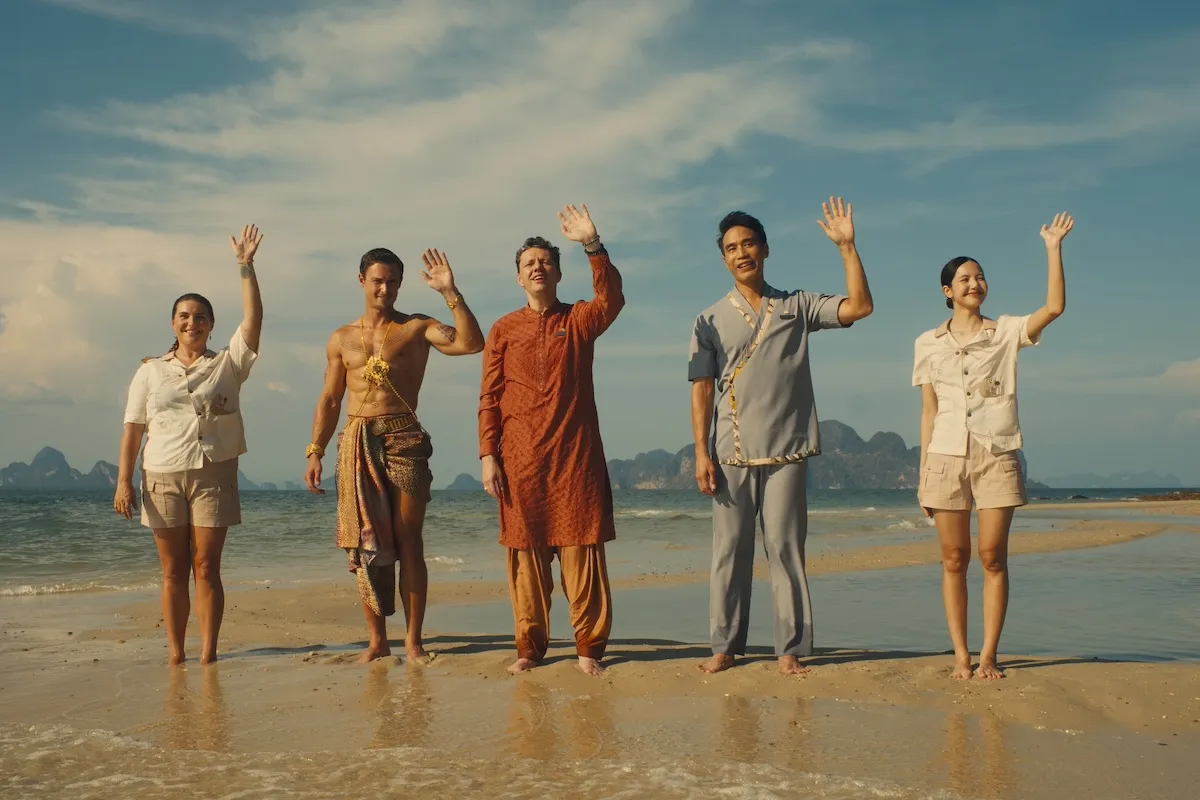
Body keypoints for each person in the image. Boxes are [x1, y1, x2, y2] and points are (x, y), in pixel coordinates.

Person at [688, 198, 874, 675]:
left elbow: (860, 307)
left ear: (765, 249)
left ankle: (789, 648)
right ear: (724, 258)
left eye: (749, 243)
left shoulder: (797, 305)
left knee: (786, 549)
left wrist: (847, 248)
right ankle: (724, 646)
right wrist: (700, 453)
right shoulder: (708, 319)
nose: (741, 252)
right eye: (731, 248)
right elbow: (702, 389)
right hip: (730, 450)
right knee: (729, 552)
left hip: (789, 448)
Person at [913, 212, 1074, 680]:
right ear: (947, 291)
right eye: (964, 278)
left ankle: (988, 656)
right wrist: (924, 473)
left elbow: (1055, 308)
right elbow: (928, 410)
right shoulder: (927, 342)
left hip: (996, 454)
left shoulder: (1004, 332)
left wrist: (1053, 247)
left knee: (991, 557)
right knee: (953, 559)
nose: (974, 283)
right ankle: (961, 656)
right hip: (944, 456)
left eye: (979, 276)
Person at [304, 246, 484, 664]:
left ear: (401, 284)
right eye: (377, 280)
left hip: (404, 438)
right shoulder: (341, 339)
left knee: (408, 543)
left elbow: (472, 344)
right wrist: (315, 450)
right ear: (362, 280)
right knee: (365, 544)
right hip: (356, 442)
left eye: (392, 281)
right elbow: (330, 400)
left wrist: (450, 292)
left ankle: (414, 641)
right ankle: (376, 641)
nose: (385, 288)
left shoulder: (417, 328)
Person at [478, 204, 624, 677]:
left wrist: (593, 246)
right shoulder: (503, 329)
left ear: (558, 272)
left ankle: (588, 650)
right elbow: (489, 398)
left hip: (575, 460)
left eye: (545, 262)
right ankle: (530, 647)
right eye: (528, 264)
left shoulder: (579, 319)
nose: (537, 268)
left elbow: (612, 301)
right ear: (518, 278)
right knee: (525, 560)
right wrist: (488, 456)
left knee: (583, 555)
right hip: (519, 462)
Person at [113, 224, 265, 666]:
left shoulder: (228, 364)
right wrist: (124, 482)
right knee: (172, 570)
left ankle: (208, 655)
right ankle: (176, 654)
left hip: (213, 472)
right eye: (184, 316)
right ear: (172, 324)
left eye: (200, 317)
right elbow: (133, 429)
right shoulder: (150, 371)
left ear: (211, 325)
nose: (192, 322)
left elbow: (253, 321)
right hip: (160, 474)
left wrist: (246, 267)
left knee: (206, 567)